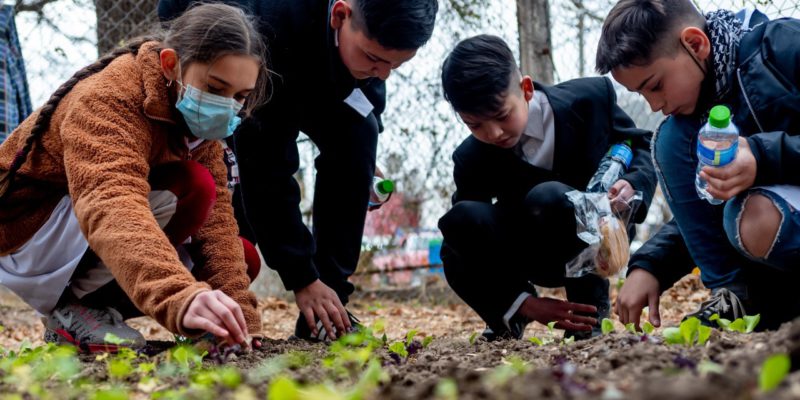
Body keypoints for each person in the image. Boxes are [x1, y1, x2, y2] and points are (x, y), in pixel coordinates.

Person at [158, 0, 438, 341]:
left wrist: (365, 164)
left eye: (396, 64)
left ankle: (327, 310)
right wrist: (301, 276)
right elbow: (267, 168)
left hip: (313, 56)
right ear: (340, 15)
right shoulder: (272, 31)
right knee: (238, 183)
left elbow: (363, 105)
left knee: (359, 139)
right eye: (374, 58)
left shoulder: (367, 50)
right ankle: (213, 304)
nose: (383, 73)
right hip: (242, 53)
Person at [0, 3, 269, 352]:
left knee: (242, 257)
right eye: (216, 88)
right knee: (192, 186)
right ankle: (74, 309)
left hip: (85, 230)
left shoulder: (199, 129)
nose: (227, 107)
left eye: (240, 97)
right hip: (28, 231)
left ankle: (92, 310)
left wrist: (243, 325)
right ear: (171, 65)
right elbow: (111, 203)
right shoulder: (108, 97)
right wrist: (179, 298)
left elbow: (217, 227)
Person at [596, 0, 800, 331]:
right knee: (670, 140)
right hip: (773, 262)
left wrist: (763, 157)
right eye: (641, 94)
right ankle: (738, 300)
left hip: (768, 220)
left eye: (655, 85)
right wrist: (650, 265)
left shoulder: (783, 46)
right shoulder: (695, 124)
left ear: (695, 44)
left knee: (752, 216)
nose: (656, 105)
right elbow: (706, 211)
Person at [438, 34, 656, 340]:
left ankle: (589, 315)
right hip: (529, 251)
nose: (494, 132)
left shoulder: (590, 99)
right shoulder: (471, 156)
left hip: (598, 239)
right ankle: (510, 318)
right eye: (475, 125)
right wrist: (525, 304)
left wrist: (632, 185)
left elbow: (638, 144)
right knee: (454, 231)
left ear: (525, 89)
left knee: (550, 196)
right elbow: (470, 236)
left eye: (502, 115)